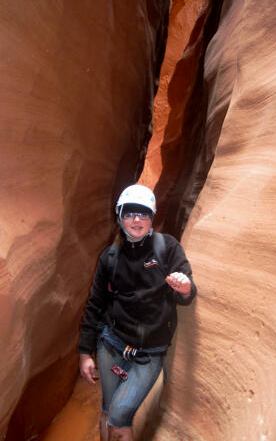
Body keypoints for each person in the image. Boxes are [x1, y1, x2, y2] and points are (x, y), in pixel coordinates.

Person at [78, 184, 196, 441]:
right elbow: (95, 304)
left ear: (152, 217)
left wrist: (185, 288)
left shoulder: (167, 248)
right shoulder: (109, 257)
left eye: (143, 214)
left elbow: (184, 291)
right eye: (130, 214)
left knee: (120, 415)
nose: (136, 220)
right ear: (119, 216)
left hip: (148, 354)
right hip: (111, 347)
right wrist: (85, 352)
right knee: (109, 410)